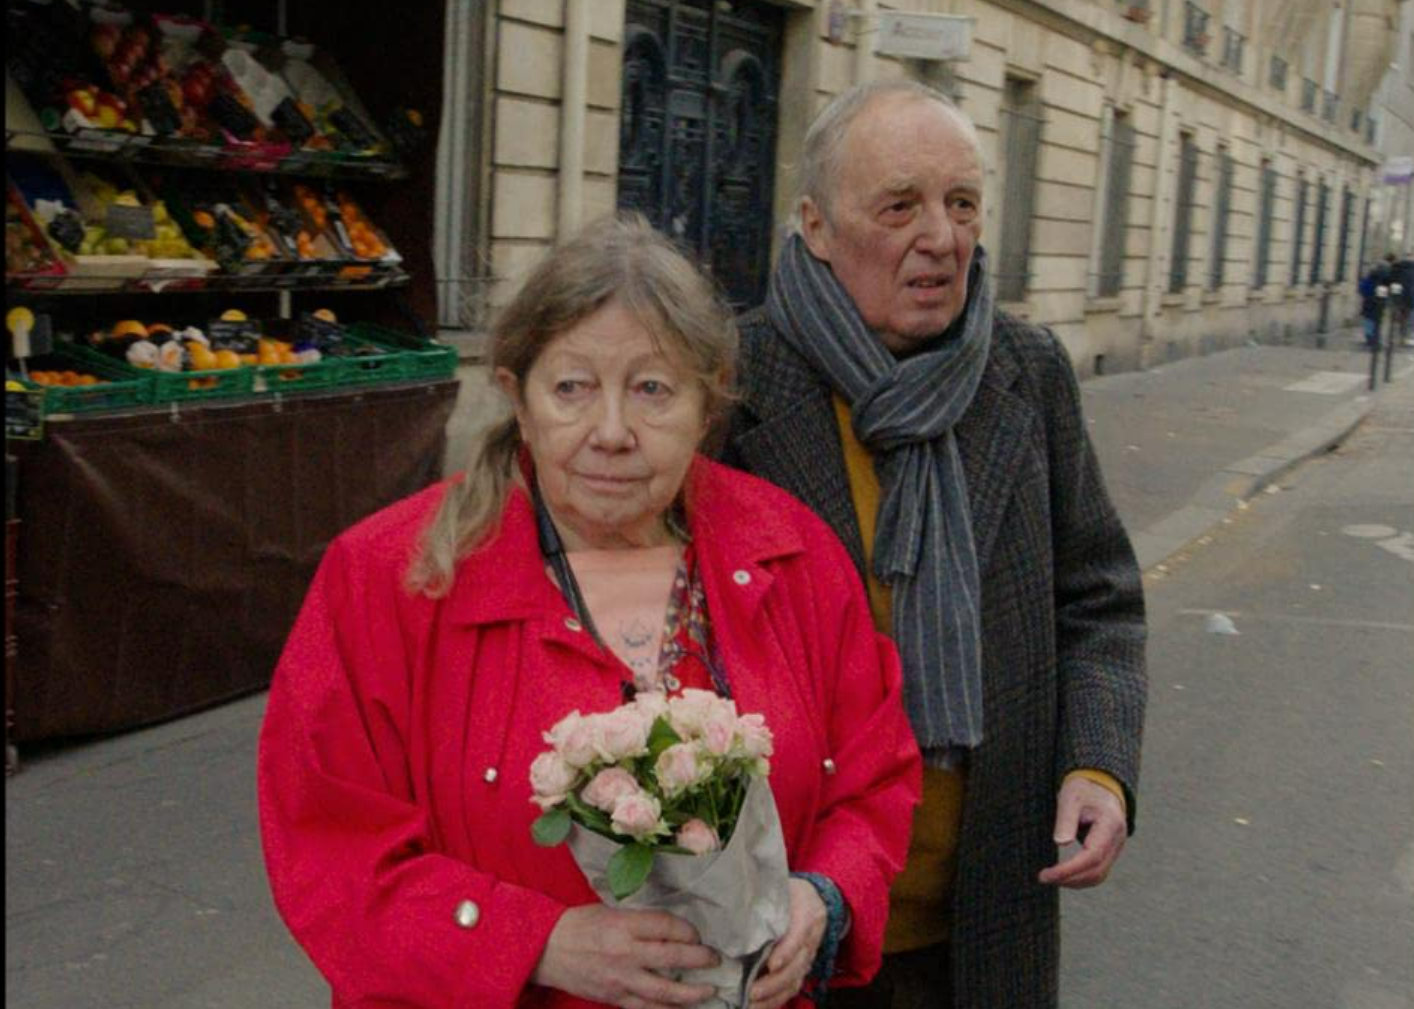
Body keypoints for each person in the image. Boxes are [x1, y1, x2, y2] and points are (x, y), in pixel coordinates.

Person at [258, 214, 922, 1009]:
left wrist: (823, 896)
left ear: (706, 403)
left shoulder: (793, 554)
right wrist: (533, 940)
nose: (612, 432)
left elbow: (873, 775)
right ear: (519, 396)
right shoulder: (387, 578)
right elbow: (328, 848)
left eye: (652, 389)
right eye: (572, 387)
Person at [724, 81, 1148, 1009]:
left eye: (962, 203)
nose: (943, 237)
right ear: (817, 225)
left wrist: (1098, 763)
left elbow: (1099, 595)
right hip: (781, 921)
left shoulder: (1025, 373)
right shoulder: (727, 380)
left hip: (984, 909)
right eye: (900, 205)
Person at [1359, 254, 1396, 350]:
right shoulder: (1386, 277)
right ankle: (1375, 340)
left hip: (1369, 300)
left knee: (1369, 319)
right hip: (1379, 301)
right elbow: (1388, 290)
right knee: (1377, 321)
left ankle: (1370, 338)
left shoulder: (1371, 275)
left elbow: (1363, 288)